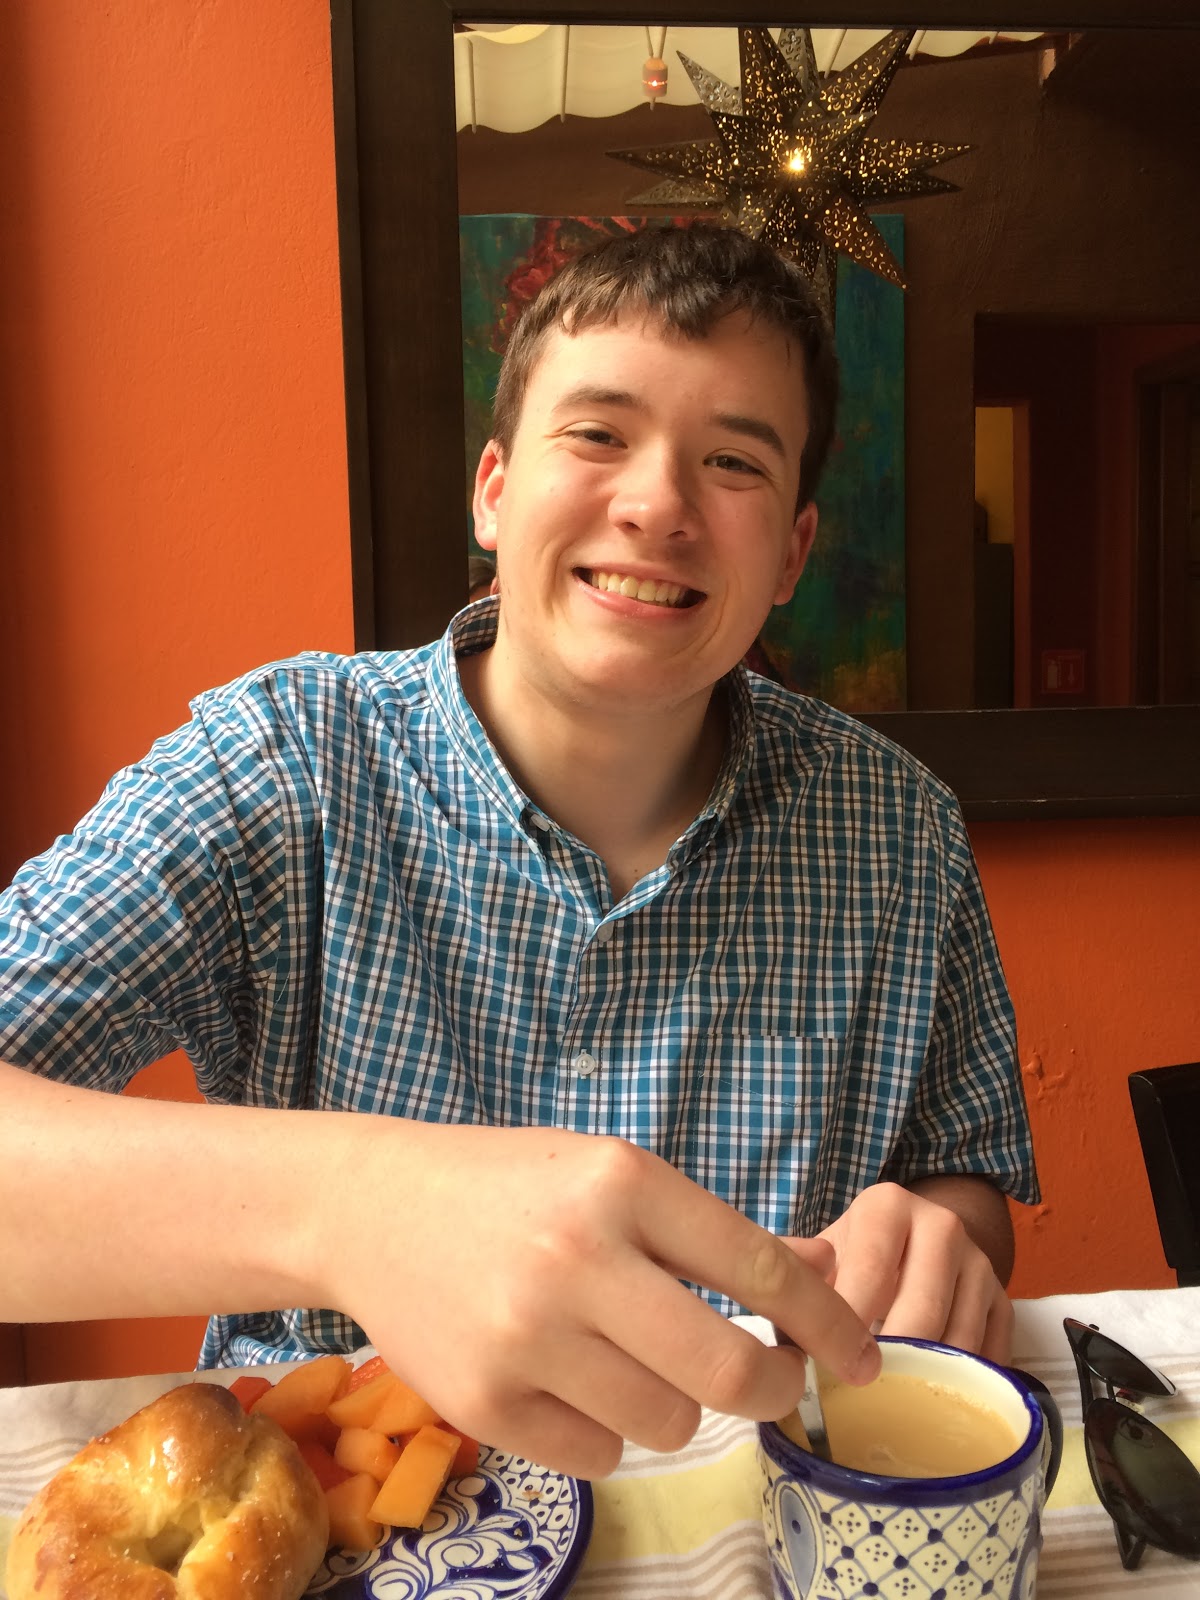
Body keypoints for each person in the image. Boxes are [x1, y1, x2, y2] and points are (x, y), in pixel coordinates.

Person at [0, 222, 1037, 1482]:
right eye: (598, 434)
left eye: (732, 461)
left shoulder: (901, 828)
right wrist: (354, 1205)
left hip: (759, 1504)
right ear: (494, 490)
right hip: (351, 1518)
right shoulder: (282, 762)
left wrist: (937, 1234)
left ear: (792, 554)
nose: (657, 504)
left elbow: (964, 1184)